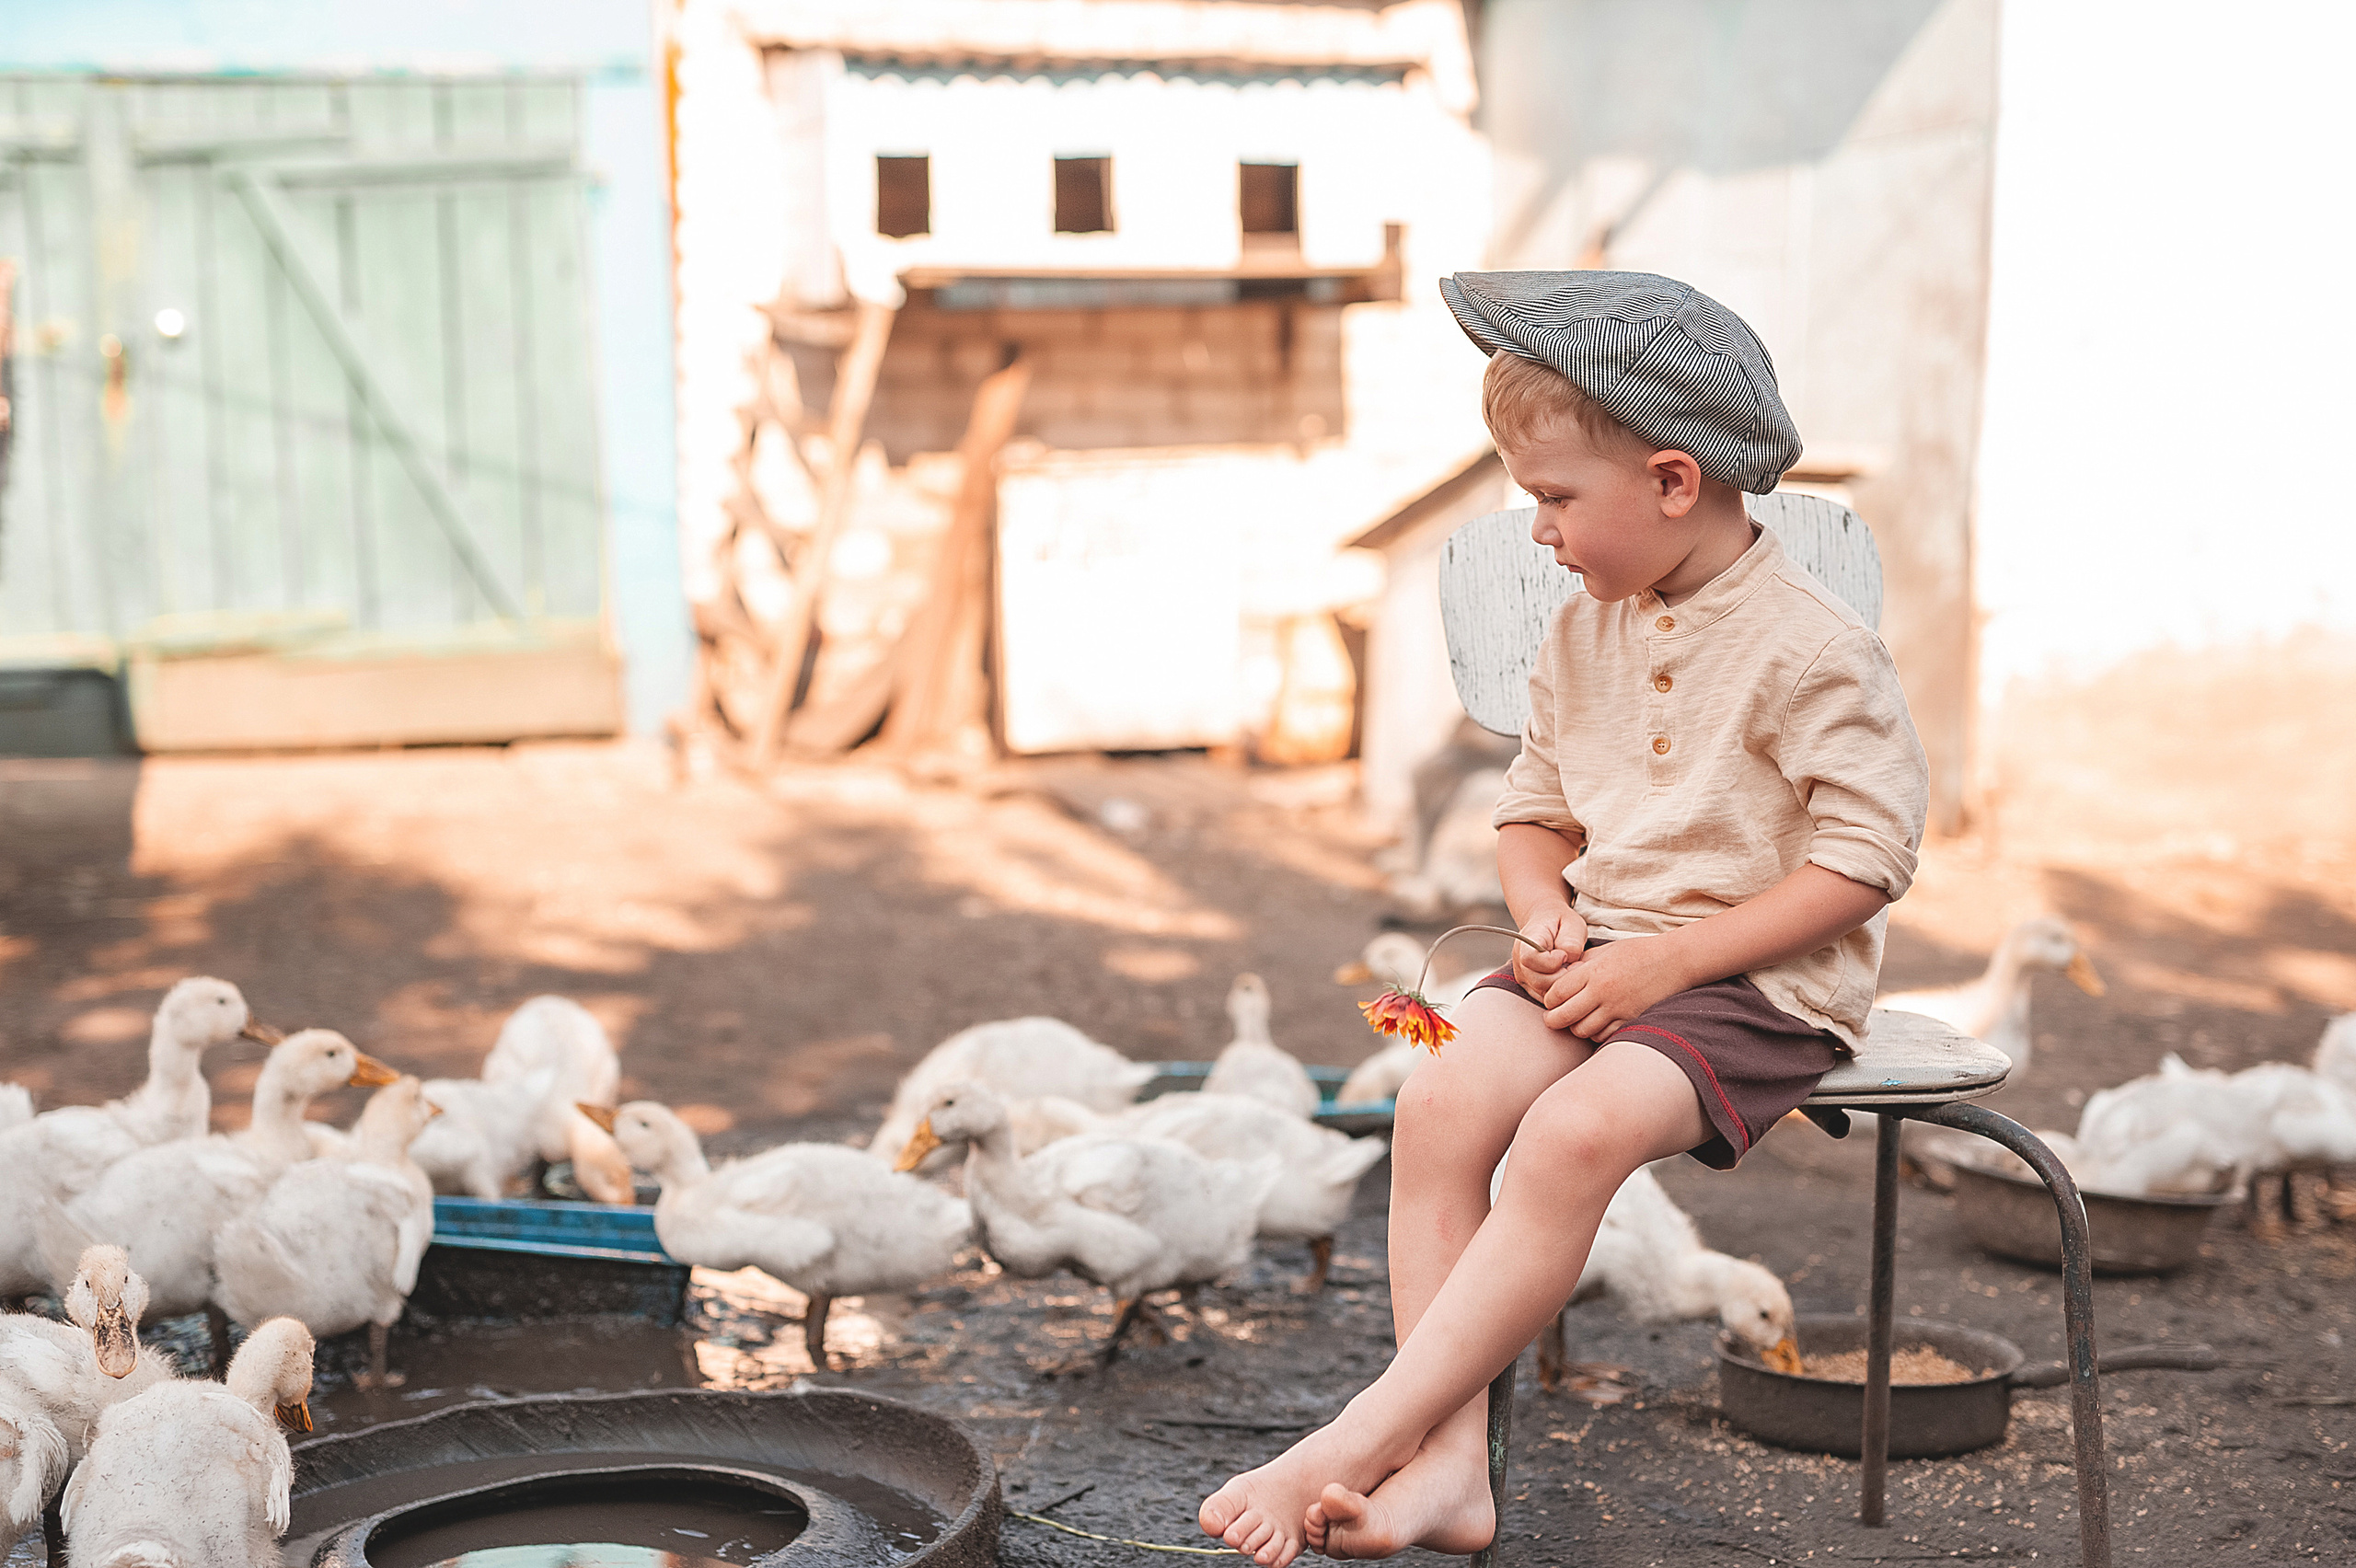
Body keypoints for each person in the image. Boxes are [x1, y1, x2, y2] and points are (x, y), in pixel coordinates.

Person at [1198, 271, 1930, 1565]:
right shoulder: (1584, 632)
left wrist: (1668, 964)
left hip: (1757, 983)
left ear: (1672, 482)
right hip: (1601, 958)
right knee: (1438, 1099)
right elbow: (1533, 813)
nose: (1537, 532)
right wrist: (1543, 910)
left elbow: (1866, 864)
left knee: (1569, 1137)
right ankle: (1450, 1470)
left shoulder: (1816, 650)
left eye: (1553, 499)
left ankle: (1362, 1436)